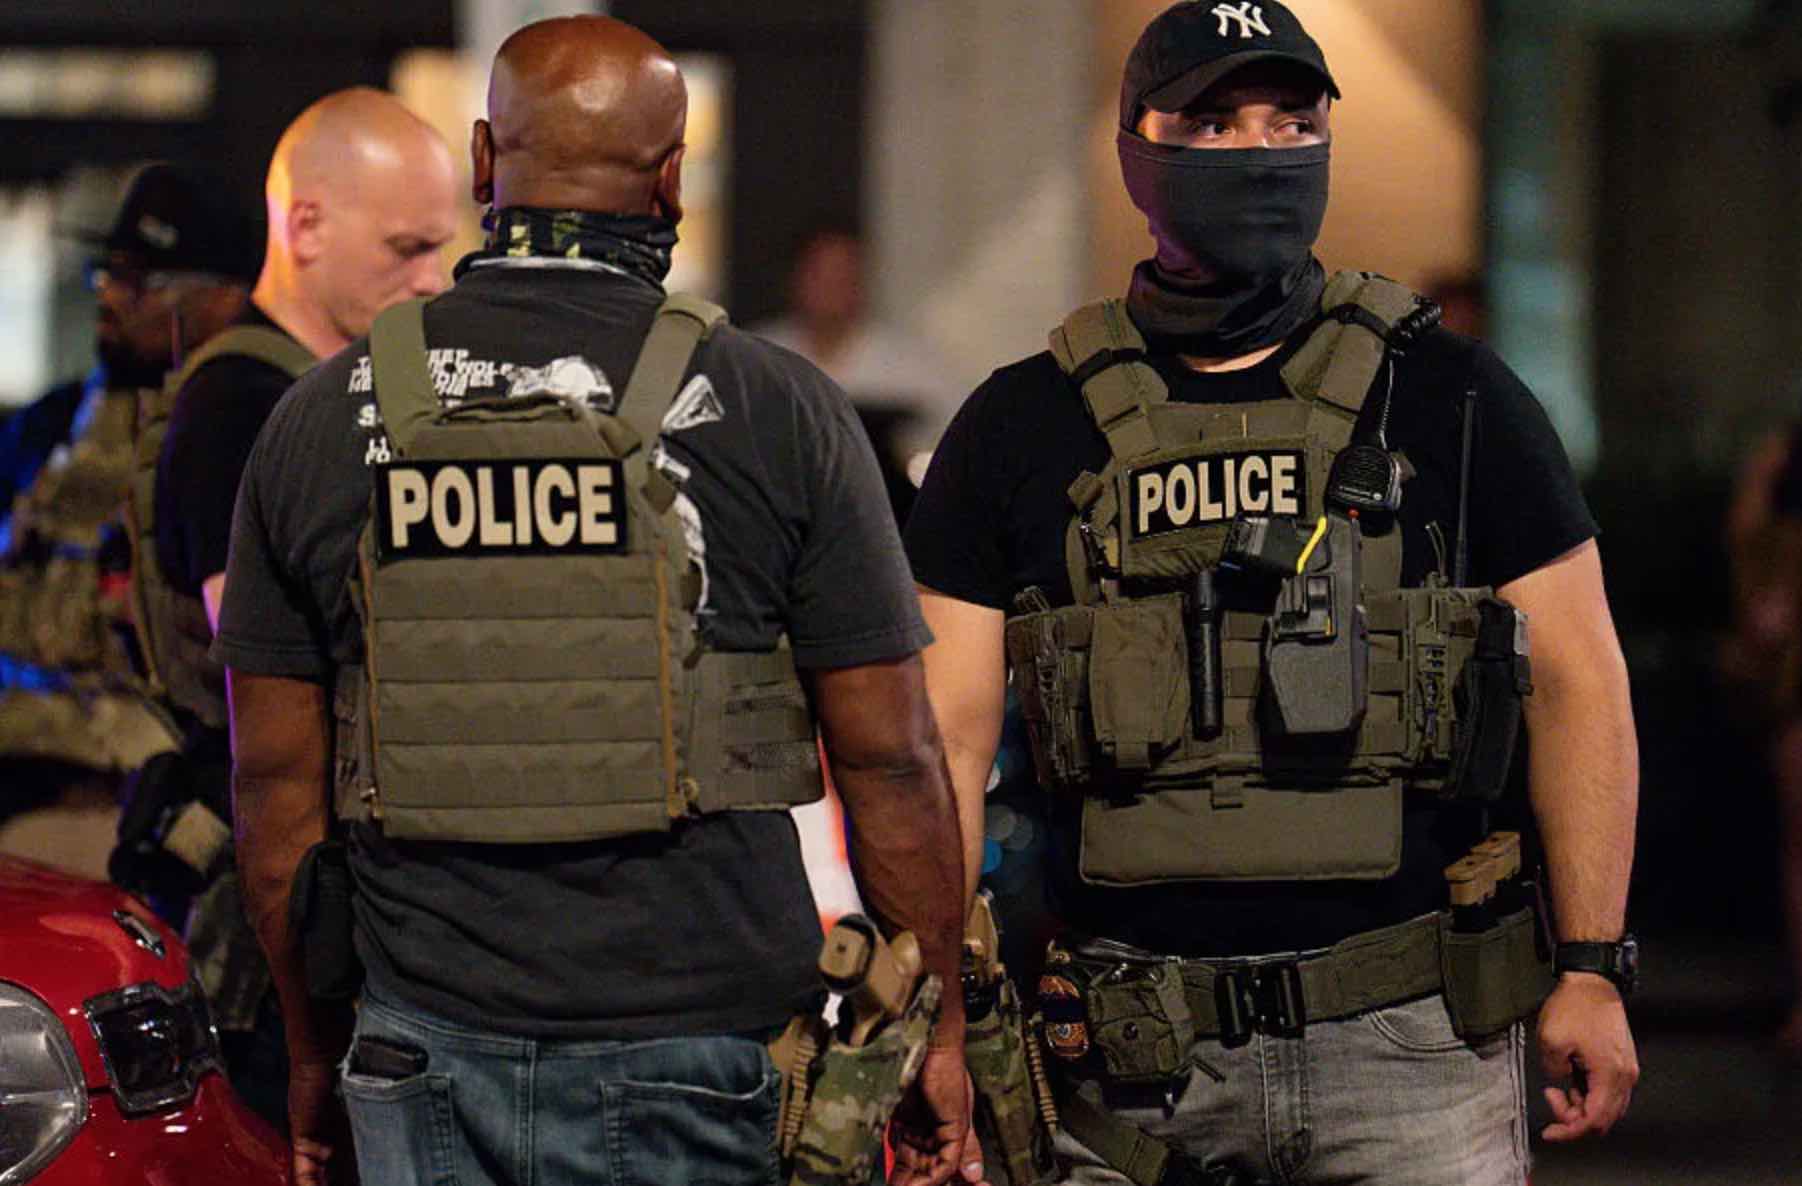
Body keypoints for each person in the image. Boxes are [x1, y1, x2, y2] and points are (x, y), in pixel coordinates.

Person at [216, 17, 977, 1186]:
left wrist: (311, 1050)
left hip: (419, 1042)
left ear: (483, 161)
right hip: (697, 1046)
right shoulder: (776, 407)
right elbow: (890, 757)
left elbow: (274, 787)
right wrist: (937, 1035)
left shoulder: (320, 417)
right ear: (670, 180)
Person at [905, 4, 1640, 1183]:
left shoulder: (1451, 396)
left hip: (1413, 1050)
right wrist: (937, 1016)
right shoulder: (1017, 424)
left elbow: (1577, 677)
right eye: (1211, 123)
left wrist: (1593, 967)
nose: (1258, 151)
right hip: (1128, 1069)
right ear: (1135, 151)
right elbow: (935, 744)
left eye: (1291, 122)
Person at [123, 87, 460, 1133]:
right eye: (406, 247)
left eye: (441, 247)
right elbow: (277, 686)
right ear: (305, 225)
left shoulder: (329, 396)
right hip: (267, 900)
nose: (432, 278)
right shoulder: (245, 404)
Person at [0, 162, 258, 782]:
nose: (110, 295)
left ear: (225, 296)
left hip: (152, 780)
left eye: (141, 280)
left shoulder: (247, 431)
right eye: (109, 273)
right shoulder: (46, 426)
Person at [752, 225, 960, 518]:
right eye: (821, 275)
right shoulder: (756, 359)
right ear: (795, 279)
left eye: (844, 276)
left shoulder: (912, 367)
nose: (832, 289)